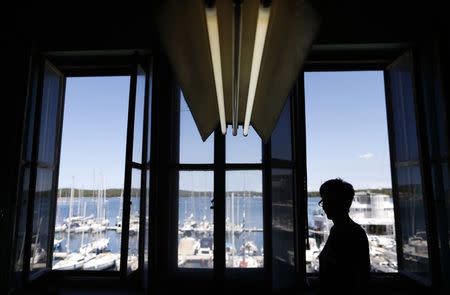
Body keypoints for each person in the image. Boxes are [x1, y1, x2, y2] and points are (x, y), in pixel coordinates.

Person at [318, 178, 370, 293]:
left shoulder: (351, 233)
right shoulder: (337, 230)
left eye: (326, 201)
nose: (324, 206)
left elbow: (355, 278)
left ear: (339, 203)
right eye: (323, 202)